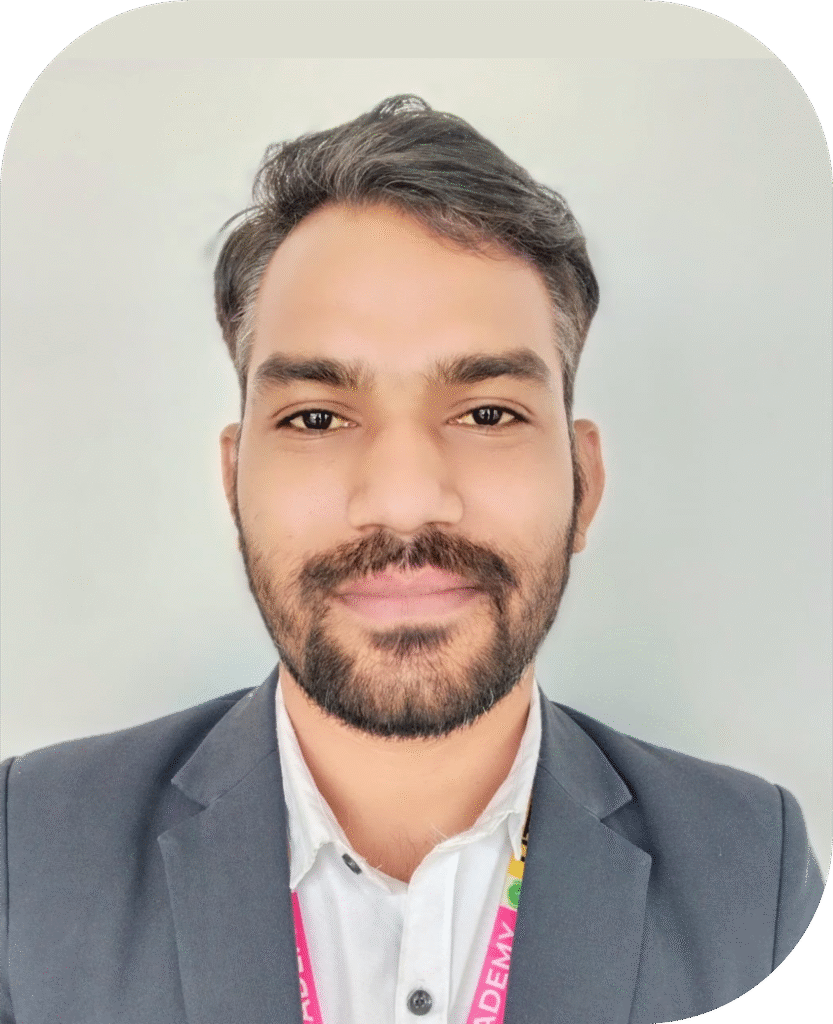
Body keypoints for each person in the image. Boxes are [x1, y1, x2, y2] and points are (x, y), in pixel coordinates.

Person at [0, 94, 823, 1024]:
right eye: (316, 417)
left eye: (487, 413)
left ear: (583, 482)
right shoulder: (26, 854)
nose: (402, 499)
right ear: (233, 483)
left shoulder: (754, 876)